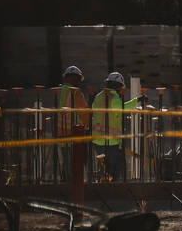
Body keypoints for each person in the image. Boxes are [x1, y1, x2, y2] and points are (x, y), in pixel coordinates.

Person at [90, 72, 146, 182]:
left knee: (104, 167)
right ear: (118, 86)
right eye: (120, 87)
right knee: (115, 168)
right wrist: (138, 100)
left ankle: (101, 186)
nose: (120, 90)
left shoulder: (98, 96)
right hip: (111, 141)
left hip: (97, 140)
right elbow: (123, 108)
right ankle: (113, 188)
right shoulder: (113, 98)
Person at [57, 65, 89, 194]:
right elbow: (84, 113)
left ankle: (65, 183)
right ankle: (74, 187)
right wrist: (87, 126)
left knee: (66, 160)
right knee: (76, 161)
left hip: (61, 132)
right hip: (75, 132)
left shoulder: (61, 91)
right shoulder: (76, 92)